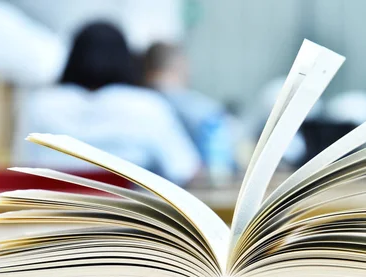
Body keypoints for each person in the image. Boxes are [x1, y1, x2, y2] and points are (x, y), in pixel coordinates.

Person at [13, 22, 201, 186]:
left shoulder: (39, 105)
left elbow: (21, 164)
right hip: (133, 220)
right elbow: (184, 169)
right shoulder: (146, 106)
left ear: (71, 58)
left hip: (49, 216)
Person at [143, 42, 236, 185]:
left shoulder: (133, 106)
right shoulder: (204, 111)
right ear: (181, 67)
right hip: (197, 196)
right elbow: (219, 170)